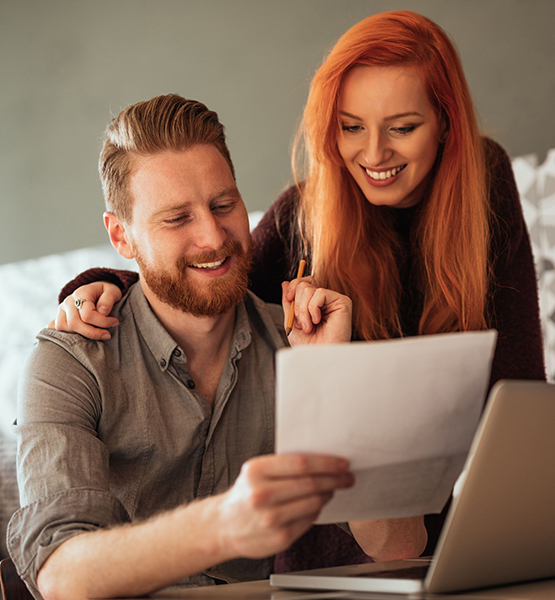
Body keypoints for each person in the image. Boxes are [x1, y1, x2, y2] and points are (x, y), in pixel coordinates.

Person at [50, 10, 545, 570]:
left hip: (456, 526)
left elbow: (516, 382)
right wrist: (107, 284)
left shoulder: (484, 180)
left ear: (447, 123)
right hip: (336, 547)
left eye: (402, 127)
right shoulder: (305, 211)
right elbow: (210, 278)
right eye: (351, 126)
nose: (374, 154)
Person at [9, 94, 427, 600]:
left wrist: (330, 379)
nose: (213, 236)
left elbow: (400, 545)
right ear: (122, 236)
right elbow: (60, 576)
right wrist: (223, 525)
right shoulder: (72, 358)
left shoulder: (297, 343)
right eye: (177, 219)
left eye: (224, 205)